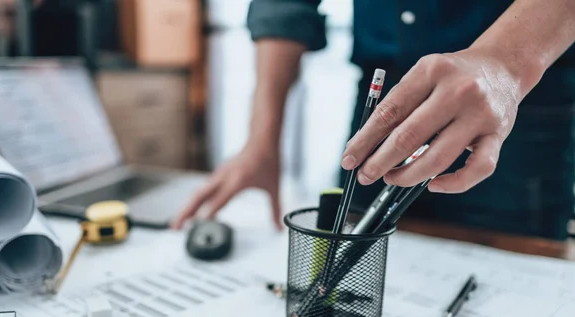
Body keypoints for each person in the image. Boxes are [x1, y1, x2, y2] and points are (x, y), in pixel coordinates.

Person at [173, 0, 575, 241]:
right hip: (379, 111)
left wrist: (506, 62)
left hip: (517, 113)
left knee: (506, 290)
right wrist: (261, 141)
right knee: (349, 259)